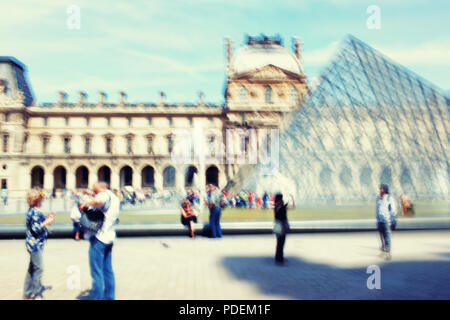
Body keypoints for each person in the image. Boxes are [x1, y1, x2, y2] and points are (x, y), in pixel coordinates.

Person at [80, 182, 120, 300]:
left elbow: (98, 201)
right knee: (108, 270)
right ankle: (109, 297)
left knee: (96, 272)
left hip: (99, 238)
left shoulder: (104, 195)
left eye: (95, 190)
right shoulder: (114, 197)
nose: (94, 193)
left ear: (102, 188)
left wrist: (87, 202)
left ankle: (97, 297)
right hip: (109, 237)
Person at [23, 189, 55, 300]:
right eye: (41, 198)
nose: (43, 200)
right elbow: (36, 229)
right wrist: (47, 222)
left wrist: (46, 218)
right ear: (37, 199)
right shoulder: (35, 212)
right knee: (39, 269)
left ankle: (27, 293)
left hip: (33, 243)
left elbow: (36, 224)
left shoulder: (33, 210)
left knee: (32, 268)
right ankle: (36, 294)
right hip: (35, 244)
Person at [376, 184, 397, 260]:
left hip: (386, 221)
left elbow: (393, 209)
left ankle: (388, 253)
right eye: (380, 188)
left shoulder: (389, 198)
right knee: (382, 237)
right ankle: (384, 250)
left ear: (385, 190)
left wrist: (392, 219)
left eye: (381, 188)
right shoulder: (378, 198)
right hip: (380, 221)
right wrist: (377, 218)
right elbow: (377, 209)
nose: (380, 190)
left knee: (387, 237)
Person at [274, 193, 289, 265]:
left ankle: (279, 257)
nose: (282, 199)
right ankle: (280, 258)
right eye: (281, 198)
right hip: (281, 226)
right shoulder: (280, 206)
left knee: (279, 243)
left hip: (278, 226)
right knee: (281, 242)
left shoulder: (277, 205)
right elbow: (281, 216)